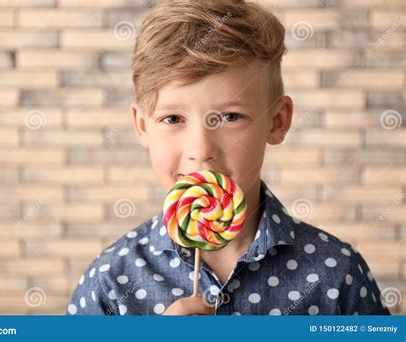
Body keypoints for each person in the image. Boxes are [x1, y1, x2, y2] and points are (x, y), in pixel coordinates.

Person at [67, 0, 390, 316]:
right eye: (173, 119)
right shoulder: (110, 280)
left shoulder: (337, 273)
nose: (201, 149)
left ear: (277, 122)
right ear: (142, 126)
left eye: (230, 116)